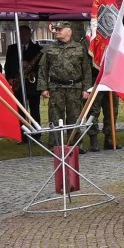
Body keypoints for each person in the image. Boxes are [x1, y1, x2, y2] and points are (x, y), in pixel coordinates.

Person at [37, 22, 93, 151]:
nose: (57, 31)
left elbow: (86, 70)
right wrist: (43, 88)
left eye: (60, 29)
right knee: (55, 117)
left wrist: (86, 89)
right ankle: (56, 146)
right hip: (56, 88)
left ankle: (75, 145)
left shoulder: (79, 48)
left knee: (75, 117)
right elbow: (43, 69)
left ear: (69, 32)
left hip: (75, 88)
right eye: (56, 29)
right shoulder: (50, 49)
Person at [4, 25, 43, 126]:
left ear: (29, 34)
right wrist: (10, 78)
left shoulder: (38, 49)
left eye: (25, 34)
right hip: (18, 84)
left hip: (32, 85)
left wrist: (29, 64)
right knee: (20, 111)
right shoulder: (12, 48)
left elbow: (42, 67)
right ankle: (23, 133)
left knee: (35, 111)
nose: (22, 36)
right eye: (20, 34)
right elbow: (7, 66)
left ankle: (36, 132)